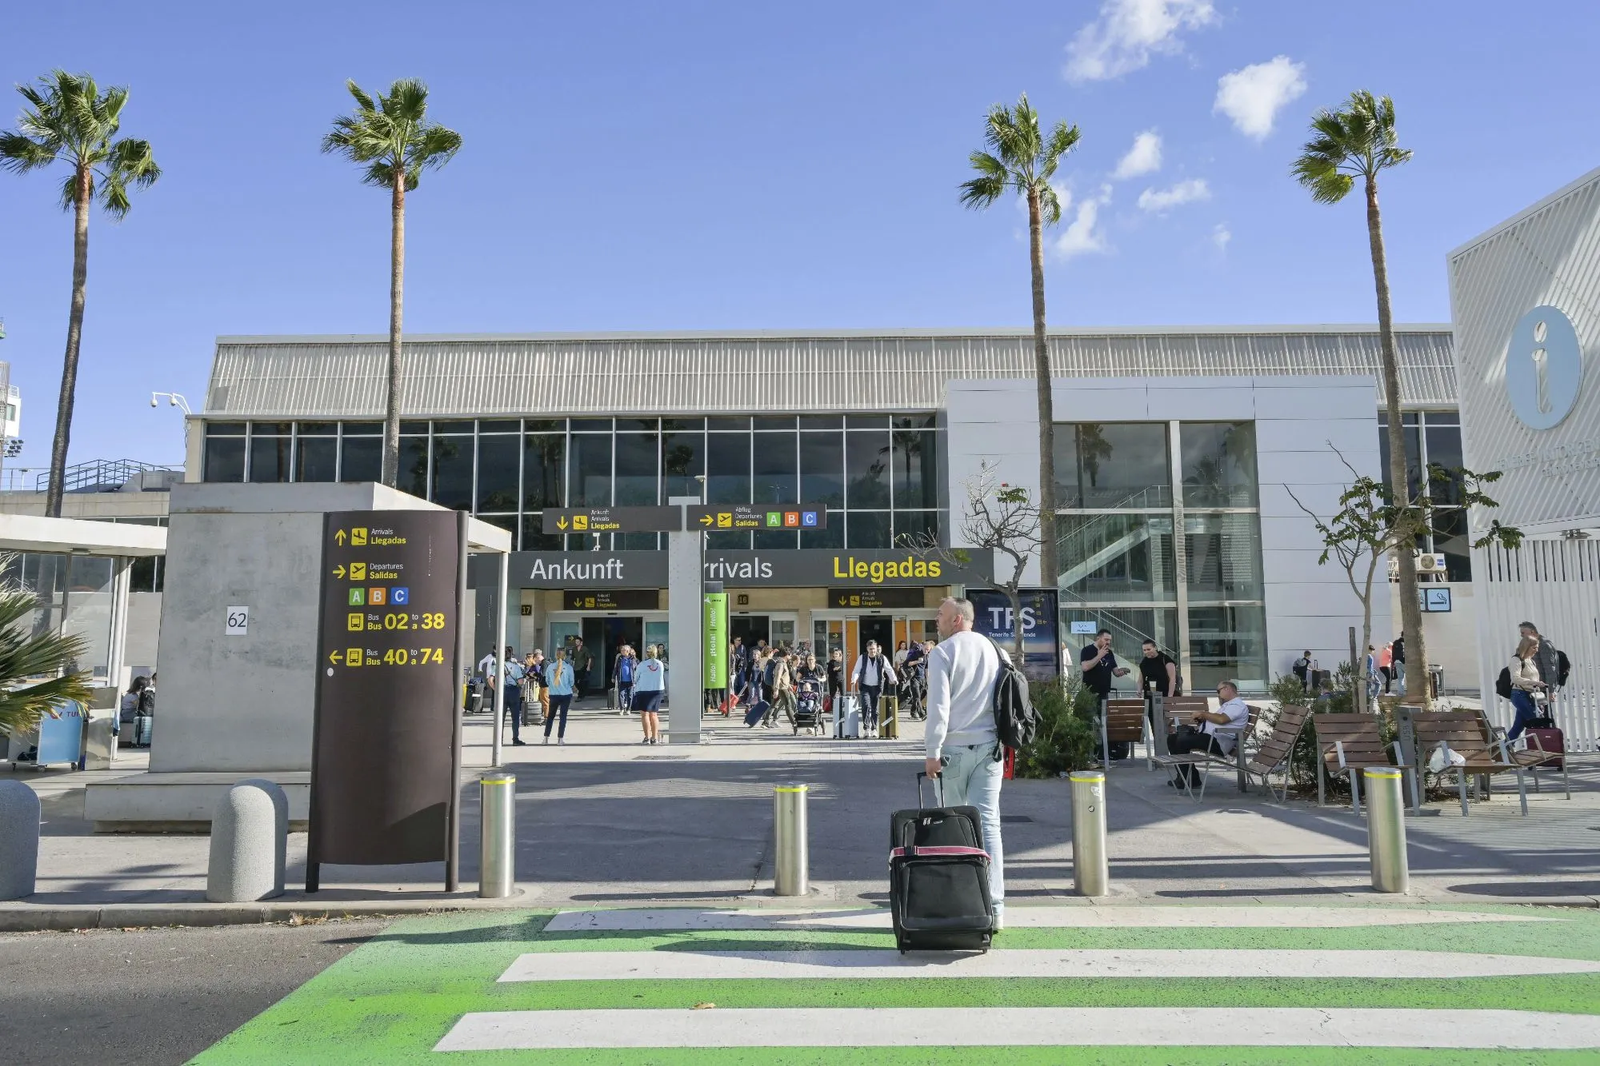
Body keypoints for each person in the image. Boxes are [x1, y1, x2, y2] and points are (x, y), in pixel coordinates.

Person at [923, 596, 1007, 931]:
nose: (936, 619)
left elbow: (938, 708)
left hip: (953, 750)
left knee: (953, 826)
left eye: (940, 614)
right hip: (990, 747)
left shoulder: (943, 653)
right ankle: (995, 908)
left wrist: (932, 751)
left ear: (957, 618)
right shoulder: (995, 650)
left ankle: (959, 903)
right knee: (989, 825)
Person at [1166, 681, 1251, 789]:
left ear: (1227, 689)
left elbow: (1221, 720)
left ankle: (1189, 779)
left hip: (1219, 742)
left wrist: (1203, 714)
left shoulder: (1237, 705)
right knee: (1172, 738)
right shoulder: (1228, 705)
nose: (1218, 694)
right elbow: (1217, 720)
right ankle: (1187, 777)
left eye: (1218, 691)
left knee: (1182, 741)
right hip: (1211, 738)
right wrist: (1202, 721)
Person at [1080, 630, 1129, 755]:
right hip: (1090, 693)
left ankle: (1101, 751)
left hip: (1104, 693)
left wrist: (1122, 671)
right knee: (1091, 722)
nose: (1108, 642)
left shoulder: (1109, 653)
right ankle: (1090, 752)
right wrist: (1099, 656)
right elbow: (1085, 667)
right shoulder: (1087, 650)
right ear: (1098, 638)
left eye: (1109, 640)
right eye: (1106, 639)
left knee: (1103, 722)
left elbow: (1115, 671)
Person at [851, 639, 897, 739]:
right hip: (865, 686)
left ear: (877, 649)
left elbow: (889, 669)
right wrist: (854, 680)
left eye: (874, 649)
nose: (873, 651)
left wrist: (894, 679)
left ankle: (874, 729)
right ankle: (866, 729)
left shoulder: (881, 658)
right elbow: (856, 670)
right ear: (867, 649)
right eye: (871, 649)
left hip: (877, 687)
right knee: (866, 706)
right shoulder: (862, 658)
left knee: (875, 709)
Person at [1507, 635, 1545, 743]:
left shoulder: (1531, 661)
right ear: (1526, 646)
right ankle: (1542, 747)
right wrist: (1534, 683)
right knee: (1535, 721)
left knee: (1518, 727)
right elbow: (1515, 678)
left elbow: (1535, 679)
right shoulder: (1516, 660)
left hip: (1531, 696)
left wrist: (1539, 699)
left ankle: (1504, 748)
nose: (1536, 650)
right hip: (1520, 694)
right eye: (1534, 647)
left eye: (1537, 647)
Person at [631, 644, 667, 744]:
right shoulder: (660, 664)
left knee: (644, 714)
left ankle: (647, 737)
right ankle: (654, 738)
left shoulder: (642, 665)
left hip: (643, 690)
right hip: (657, 691)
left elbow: (636, 678)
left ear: (647, 653)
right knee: (654, 714)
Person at [1520, 622, 1564, 696]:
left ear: (1532, 631)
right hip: (1536, 687)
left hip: (1543, 689)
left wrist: (1550, 690)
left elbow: (1550, 669)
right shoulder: (1534, 644)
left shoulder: (1543, 645)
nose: (1521, 635)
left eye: (1523, 633)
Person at [544, 648, 575, 745]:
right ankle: (560, 739)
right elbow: (571, 682)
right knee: (563, 717)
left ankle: (546, 738)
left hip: (553, 694)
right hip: (566, 694)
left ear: (555, 656)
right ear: (565, 656)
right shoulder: (568, 667)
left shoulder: (550, 667)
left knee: (550, 717)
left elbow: (547, 681)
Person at [501, 651, 526, 746]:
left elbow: (490, 679)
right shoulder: (516, 667)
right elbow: (520, 681)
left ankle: (499, 739)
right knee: (515, 717)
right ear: (511, 656)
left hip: (502, 691)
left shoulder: (498, 666)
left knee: (500, 717)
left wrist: (496, 689)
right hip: (513, 691)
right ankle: (515, 739)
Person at [614, 644, 638, 716]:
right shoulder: (620, 659)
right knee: (621, 695)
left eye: (623, 650)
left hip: (630, 681)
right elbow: (616, 668)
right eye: (621, 650)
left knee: (630, 696)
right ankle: (621, 709)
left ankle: (628, 709)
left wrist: (636, 679)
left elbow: (637, 668)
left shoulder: (632, 659)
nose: (621, 651)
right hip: (622, 680)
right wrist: (613, 677)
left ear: (627, 651)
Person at [524, 649, 547, 725]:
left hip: (545, 685)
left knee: (545, 702)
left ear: (538, 657)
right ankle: (546, 717)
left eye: (536, 660)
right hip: (543, 685)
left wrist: (534, 675)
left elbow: (543, 674)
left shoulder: (544, 663)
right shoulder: (543, 663)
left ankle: (547, 718)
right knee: (543, 701)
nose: (536, 662)